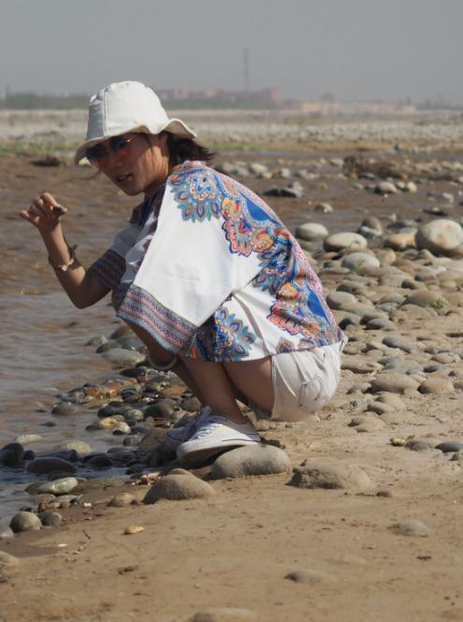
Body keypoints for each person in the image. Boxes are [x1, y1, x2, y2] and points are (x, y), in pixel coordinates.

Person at [19, 81, 343, 466]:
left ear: (161, 139)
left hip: (298, 363)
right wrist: (52, 235)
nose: (111, 162)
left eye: (122, 144)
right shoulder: (153, 209)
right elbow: (86, 292)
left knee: (156, 292)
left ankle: (228, 418)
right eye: (98, 153)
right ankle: (219, 412)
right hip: (281, 365)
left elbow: (150, 293)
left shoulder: (191, 191)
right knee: (140, 292)